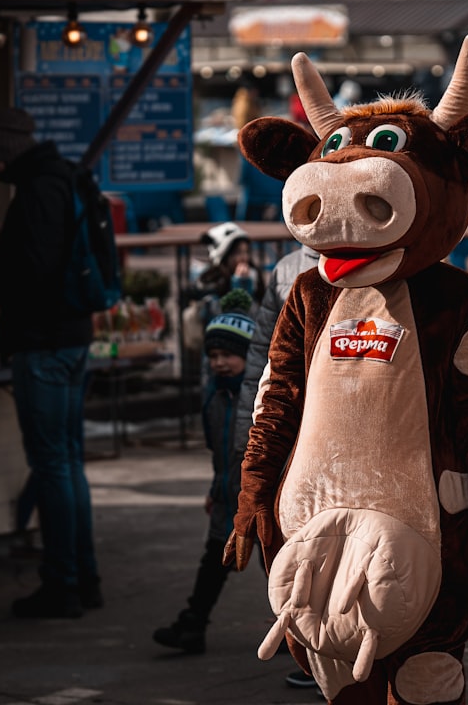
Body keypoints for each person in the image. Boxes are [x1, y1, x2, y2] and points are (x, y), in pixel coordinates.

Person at [0, 108, 102, 619]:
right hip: (73, 338)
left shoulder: (36, 189)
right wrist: (10, 237)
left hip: (43, 343)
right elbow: (51, 251)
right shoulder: (61, 178)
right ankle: (84, 578)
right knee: (69, 463)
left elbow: (34, 272)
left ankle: (62, 584)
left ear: (1, 154)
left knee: (52, 465)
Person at [231, 244, 319, 690]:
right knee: (298, 540)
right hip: (297, 434)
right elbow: (264, 362)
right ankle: (314, 648)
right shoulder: (292, 272)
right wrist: (247, 444)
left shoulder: (412, 259)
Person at [153, 290, 257, 653]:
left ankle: (302, 637)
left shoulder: (261, 396)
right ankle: (193, 625)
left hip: (265, 499)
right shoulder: (214, 397)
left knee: (282, 573)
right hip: (229, 498)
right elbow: (218, 454)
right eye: (214, 356)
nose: (220, 363)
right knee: (213, 563)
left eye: (229, 355)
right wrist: (215, 489)